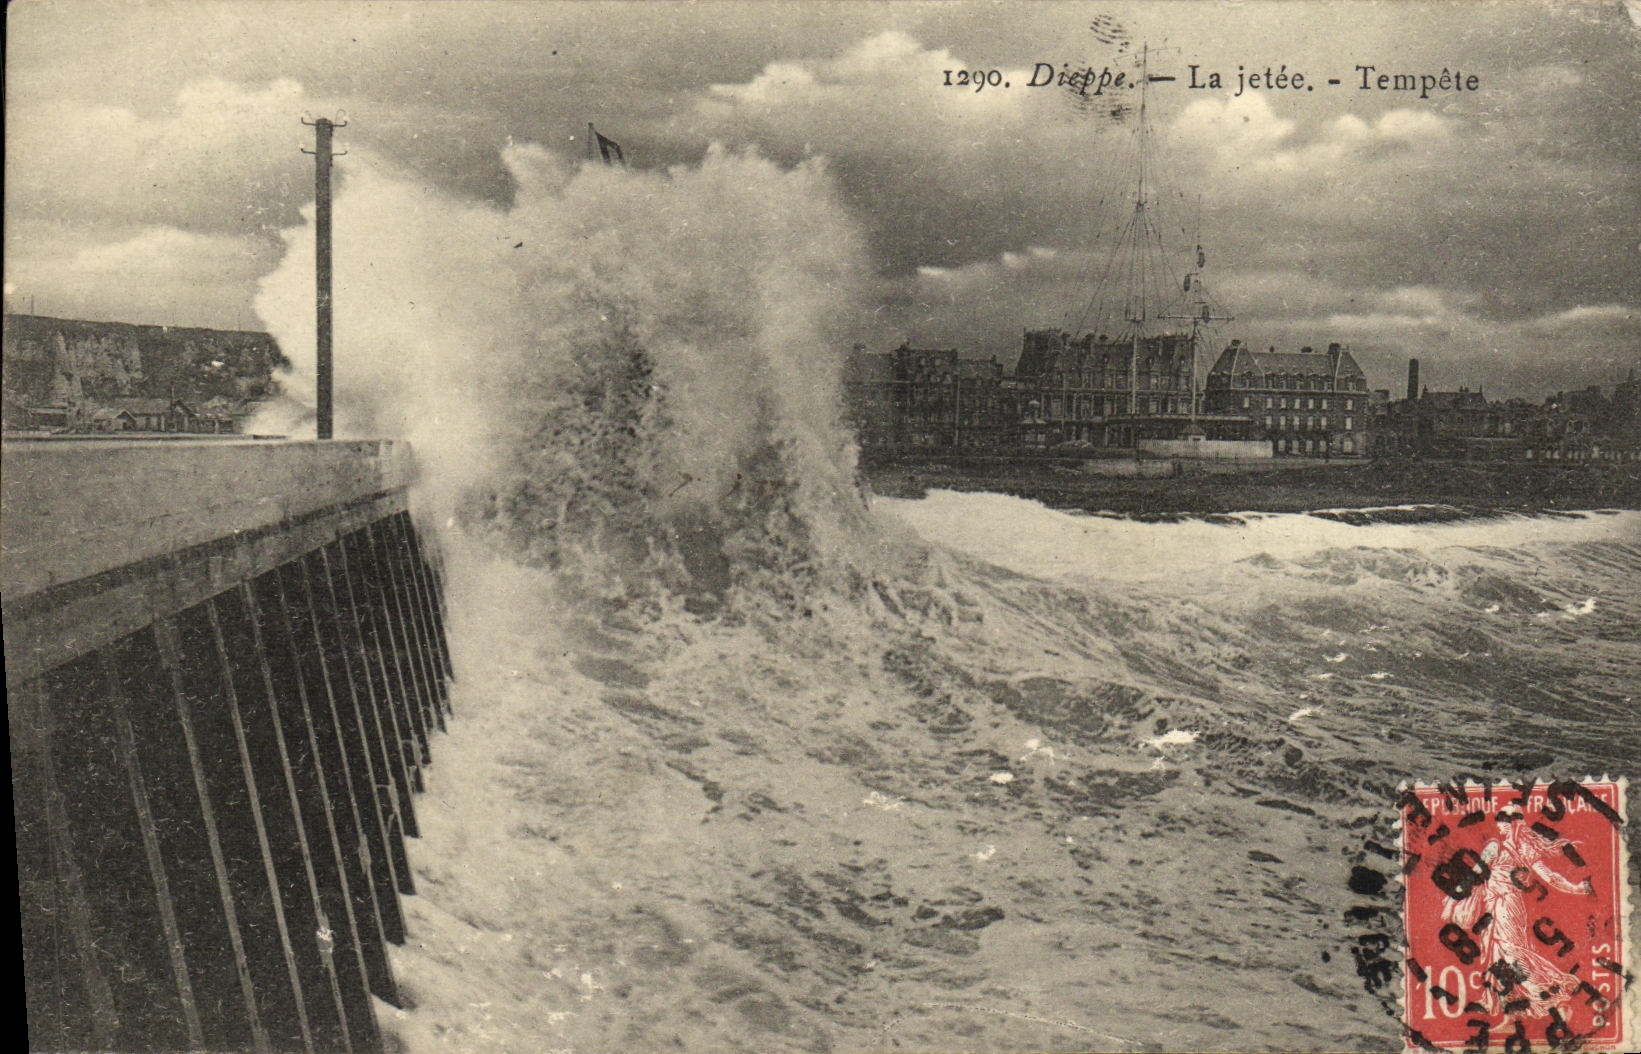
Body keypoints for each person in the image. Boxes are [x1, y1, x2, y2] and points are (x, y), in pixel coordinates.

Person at [1442, 808, 1594, 1018]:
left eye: (1505, 819)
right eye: (1498, 819)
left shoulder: (1523, 847)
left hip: (1508, 905)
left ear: (1516, 822)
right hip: (1492, 907)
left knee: (1512, 953)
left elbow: (1548, 876)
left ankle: (1544, 995)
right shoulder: (1495, 846)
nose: (1499, 824)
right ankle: (1495, 1002)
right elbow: (1475, 875)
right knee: (1492, 954)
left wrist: (1576, 888)